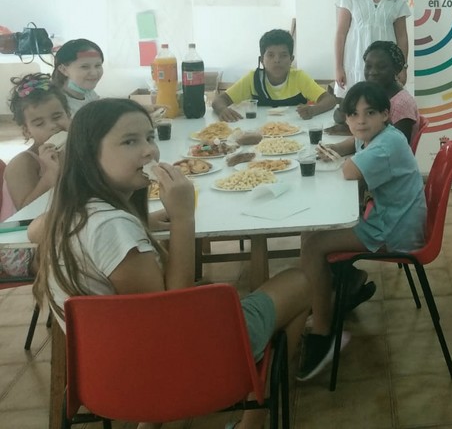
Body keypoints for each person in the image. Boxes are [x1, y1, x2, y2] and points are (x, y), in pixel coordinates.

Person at [32, 99, 310, 429]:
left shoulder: (68, 214)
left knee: (210, 293)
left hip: (103, 377)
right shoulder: (113, 229)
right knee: (298, 282)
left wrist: (143, 222)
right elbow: (173, 312)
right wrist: (182, 218)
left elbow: (36, 229)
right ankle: (250, 421)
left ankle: (156, 420)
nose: (149, 151)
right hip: (166, 370)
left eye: (150, 138)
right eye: (129, 141)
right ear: (88, 155)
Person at [298, 82, 427, 381]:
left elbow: (349, 172)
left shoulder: (387, 144)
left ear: (386, 114)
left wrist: (334, 156)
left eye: (369, 113)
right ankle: (339, 288)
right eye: (353, 115)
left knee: (312, 246)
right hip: (391, 217)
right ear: (345, 117)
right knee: (311, 233)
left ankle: (323, 334)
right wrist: (330, 148)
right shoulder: (376, 136)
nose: (360, 121)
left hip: (394, 230)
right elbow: (350, 149)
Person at [1, 74, 70, 278]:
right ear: (26, 131)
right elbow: (26, 212)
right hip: (22, 247)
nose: (52, 126)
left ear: (69, 115)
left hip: (61, 230)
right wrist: (50, 175)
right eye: (39, 123)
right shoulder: (24, 163)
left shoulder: (75, 152)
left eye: (57, 117)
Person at [212, 29, 336, 122]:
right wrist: (222, 110)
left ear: (291, 59)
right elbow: (219, 100)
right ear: (262, 60)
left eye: (283, 55)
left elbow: (329, 100)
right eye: (270, 55)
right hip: (260, 133)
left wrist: (313, 110)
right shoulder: (253, 78)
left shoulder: (299, 77)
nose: (277, 60)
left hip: (297, 131)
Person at [335, 0, 410, 95]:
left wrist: (403, 67)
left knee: (385, 107)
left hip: (386, 66)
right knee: (354, 108)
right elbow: (341, 34)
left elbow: (402, 36)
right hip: (356, 62)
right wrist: (338, 67)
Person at [329, 41, 418, 144]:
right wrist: (336, 147)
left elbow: (397, 147)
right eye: (368, 66)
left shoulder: (402, 104)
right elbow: (339, 115)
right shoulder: (373, 94)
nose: (373, 72)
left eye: (381, 67)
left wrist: (349, 129)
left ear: (397, 69)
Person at [52, 39, 104, 116]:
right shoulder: (57, 105)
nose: (94, 73)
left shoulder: (90, 94)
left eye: (98, 65)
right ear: (64, 70)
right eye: (85, 67)